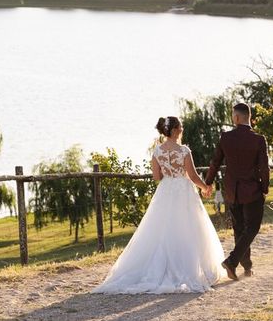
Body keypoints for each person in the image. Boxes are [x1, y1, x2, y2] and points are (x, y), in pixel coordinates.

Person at [92, 116, 225, 294]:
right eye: (181, 127)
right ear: (176, 130)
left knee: (162, 228)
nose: (182, 129)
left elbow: (156, 176)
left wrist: (169, 175)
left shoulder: (157, 151)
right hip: (183, 190)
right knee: (187, 227)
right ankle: (189, 268)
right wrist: (205, 187)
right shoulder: (184, 150)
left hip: (166, 189)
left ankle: (161, 267)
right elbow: (192, 176)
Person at [205, 103, 270, 280]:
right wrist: (264, 188)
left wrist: (208, 182)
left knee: (240, 229)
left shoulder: (226, 138)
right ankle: (233, 262)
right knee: (252, 228)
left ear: (237, 118)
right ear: (248, 117)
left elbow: (215, 162)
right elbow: (264, 167)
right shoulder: (258, 139)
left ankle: (247, 267)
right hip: (252, 191)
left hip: (232, 192)